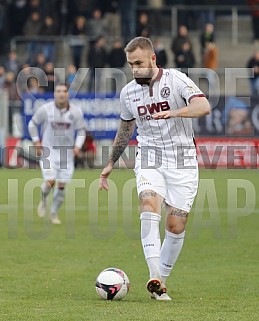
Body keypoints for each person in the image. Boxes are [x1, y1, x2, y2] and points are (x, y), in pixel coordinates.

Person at [99, 37, 211, 300]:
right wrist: (111, 162)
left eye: (139, 63)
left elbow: (203, 106)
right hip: (149, 155)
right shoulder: (128, 93)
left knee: (175, 225)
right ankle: (154, 275)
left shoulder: (177, 80)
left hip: (183, 160)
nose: (135, 69)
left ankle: (161, 278)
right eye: (130, 64)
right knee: (149, 204)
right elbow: (126, 128)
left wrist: (175, 112)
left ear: (152, 59)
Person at [28, 83, 86, 224]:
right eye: (58, 91)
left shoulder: (76, 112)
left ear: (68, 94)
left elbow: (81, 131)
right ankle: (43, 200)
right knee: (50, 181)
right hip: (49, 152)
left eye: (64, 91)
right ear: (54, 93)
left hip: (66, 155)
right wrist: (36, 142)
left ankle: (53, 213)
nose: (61, 94)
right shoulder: (45, 109)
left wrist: (77, 146)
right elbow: (32, 124)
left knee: (61, 186)